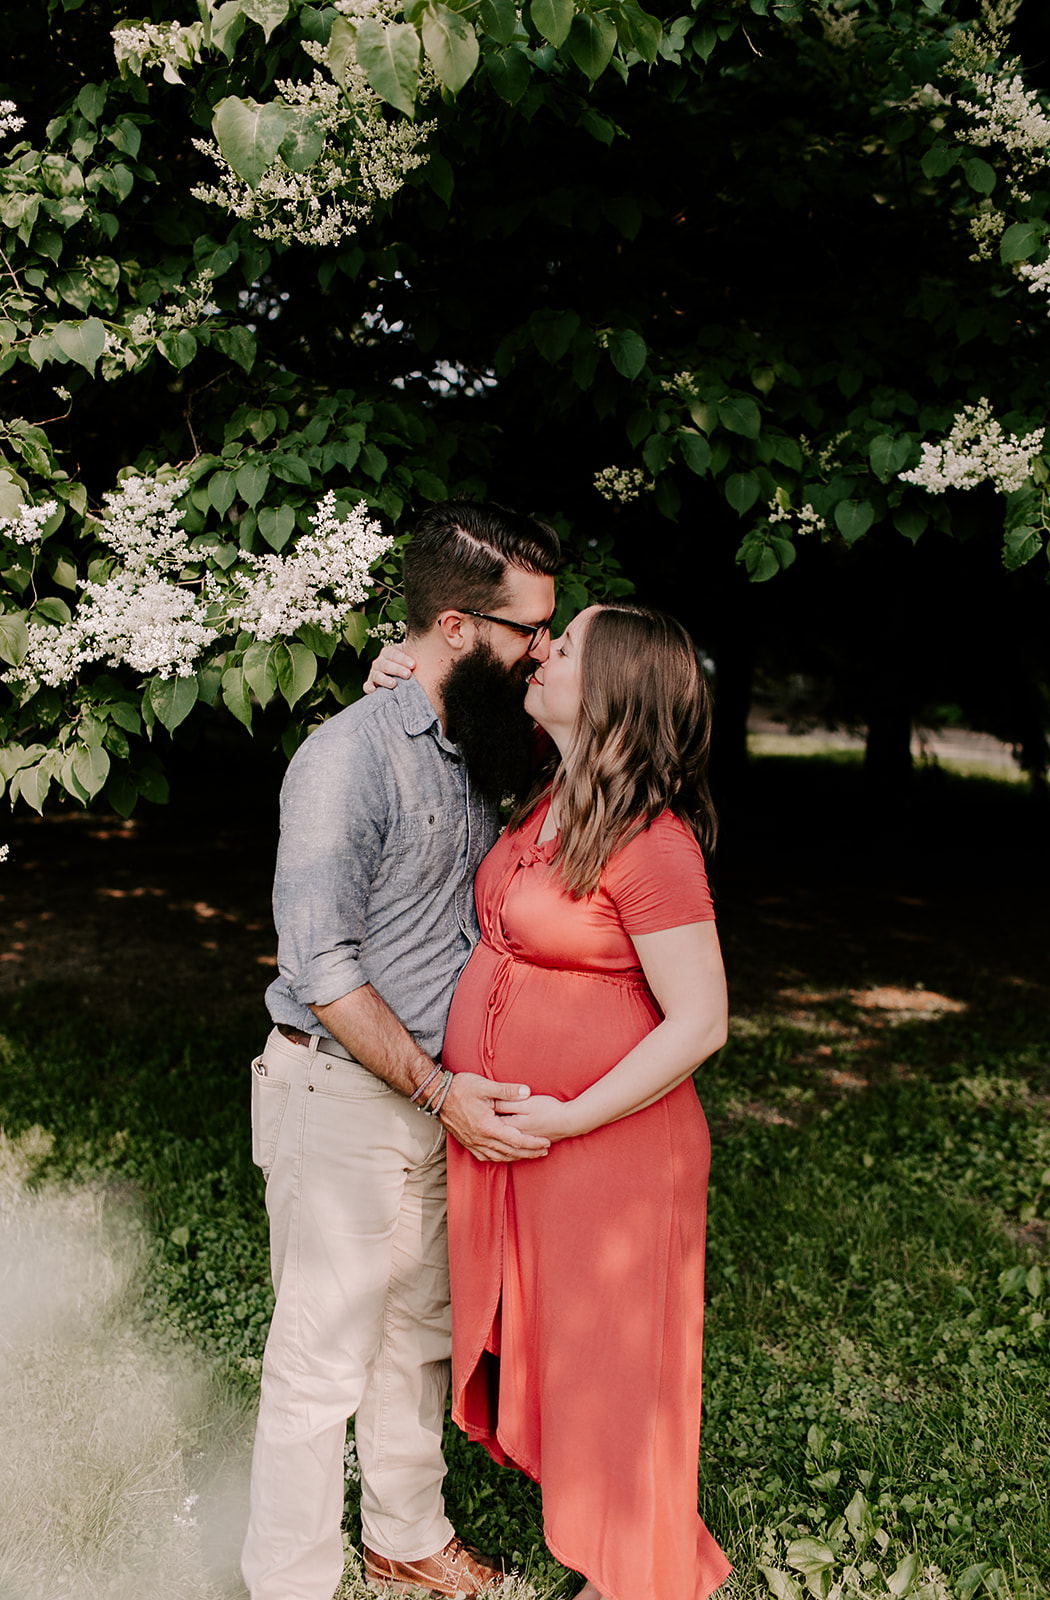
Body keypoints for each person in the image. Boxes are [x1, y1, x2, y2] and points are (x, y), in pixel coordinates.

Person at [241, 500, 561, 1600]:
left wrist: (451, 1092)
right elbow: (321, 965)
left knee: (419, 1336)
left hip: (441, 1099)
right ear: (462, 626)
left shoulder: (481, 736)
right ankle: (286, 1580)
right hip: (346, 1092)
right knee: (319, 1361)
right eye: (528, 631)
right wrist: (436, 1085)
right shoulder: (345, 758)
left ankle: (404, 1535)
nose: (542, 652)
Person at [442, 602, 733, 1600]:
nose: (539, 650)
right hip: (539, 1144)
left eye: (561, 647)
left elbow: (699, 1021)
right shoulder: (547, 798)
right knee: (561, 1355)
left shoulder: (651, 844)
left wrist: (567, 1115)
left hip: (608, 1149)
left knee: (611, 1365)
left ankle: (640, 1575)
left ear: (607, 690)